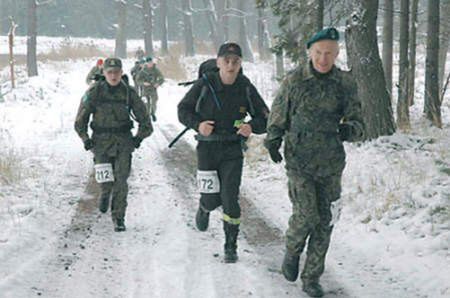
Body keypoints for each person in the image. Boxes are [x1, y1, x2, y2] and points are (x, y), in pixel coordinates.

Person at [264, 27, 365, 297]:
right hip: (300, 161)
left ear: (337, 54)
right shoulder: (295, 81)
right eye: (319, 52)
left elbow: (358, 122)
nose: (323, 58)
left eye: (329, 53)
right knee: (307, 215)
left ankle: (311, 278)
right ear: (310, 52)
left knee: (325, 222)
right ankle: (292, 249)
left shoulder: (345, 83)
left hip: (331, 164)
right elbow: (278, 113)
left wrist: (349, 130)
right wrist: (272, 140)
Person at [178, 42, 270, 263]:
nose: (230, 65)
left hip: (232, 149)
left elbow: (265, 116)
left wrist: (252, 126)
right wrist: (198, 125)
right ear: (218, 62)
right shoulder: (204, 84)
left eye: (235, 61)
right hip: (207, 148)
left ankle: (231, 245)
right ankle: (204, 207)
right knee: (212, 199)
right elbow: (183, 110)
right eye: (226, 61)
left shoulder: (245, 86)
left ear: (240, 64)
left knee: (230, 198)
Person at [75, 58, 153, 232]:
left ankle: (118, 217)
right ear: (103, 73)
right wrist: (85, 138)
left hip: (123, 142)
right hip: (100, 142)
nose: (113, 76)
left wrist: (138, 139)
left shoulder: (128, 93)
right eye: (109, 72)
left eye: (116, 72)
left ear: (121, 72)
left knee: (121, 180)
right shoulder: (94, 91)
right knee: (106, 179)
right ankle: (104, 192)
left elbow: (145, 121)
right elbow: (80, 119)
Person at [135, 56, 165, 122]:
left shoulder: (156, 70)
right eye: (148, 62)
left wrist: (158, 83)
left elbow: (162, 78)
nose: (150, 64)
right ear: (146, 63)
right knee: (146, 103)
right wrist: (143, 83)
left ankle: (153, 113)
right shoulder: (143, 71)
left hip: (153, 89)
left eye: (151, 62)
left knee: (154, 102)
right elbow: (138, 80)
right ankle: (147, 115)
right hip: (145, 90)